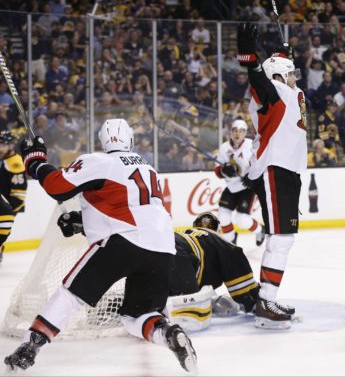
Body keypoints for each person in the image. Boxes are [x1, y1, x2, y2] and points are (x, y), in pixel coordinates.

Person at [4, 119, 197, 373]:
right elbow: (128, 207)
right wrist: (79, 220)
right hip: (162, 247)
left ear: (103, 140)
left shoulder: (100, 161)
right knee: (135, 316)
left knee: (71, 295)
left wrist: (35, 160)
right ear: (130, 139)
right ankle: (167, 333)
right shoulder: (149, 169)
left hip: (122, 242)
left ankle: (30, 346)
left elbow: (56, 187)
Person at [57, 210, 261, 329]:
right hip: (179, 264)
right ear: (215, 229)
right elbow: (236, 257)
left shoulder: (182, 231)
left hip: (151, 251)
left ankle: (107, 310)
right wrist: (253, 300)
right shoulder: (216, 239)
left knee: (142, 305)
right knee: (193, 312)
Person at [236, 23, 307, 329]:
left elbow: (274, 72)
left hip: (287, 170)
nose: (295, 78)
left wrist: (282, 54)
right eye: (290, 72)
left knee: (283, 238)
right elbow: (258, 77)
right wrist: (249, 54)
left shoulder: (290, 91)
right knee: (280, 239)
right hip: (275, 168)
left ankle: (267, 298)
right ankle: (266, 302)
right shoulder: (273, 91)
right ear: (279, 76)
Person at [214, 119, 265, 246]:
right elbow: (217, 171)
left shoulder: (251, 145)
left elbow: (260, 164)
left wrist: (252, 175)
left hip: (247, 187)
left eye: (241, 131)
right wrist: (224, 170)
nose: (238, 134)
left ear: (245, 133)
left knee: (241, 219)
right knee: (223, 216)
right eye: (235, 131)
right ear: (231, 132)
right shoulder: (224, 148)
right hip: (232, 187)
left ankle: (260, 230)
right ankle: (231, 241)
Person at [0, 130, 27, 264]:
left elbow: (19, 191)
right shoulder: (3, 159)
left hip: (7, 206)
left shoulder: (15, 162)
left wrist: (12, 208)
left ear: (11, 146)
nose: (1, 148)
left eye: (3, 145)